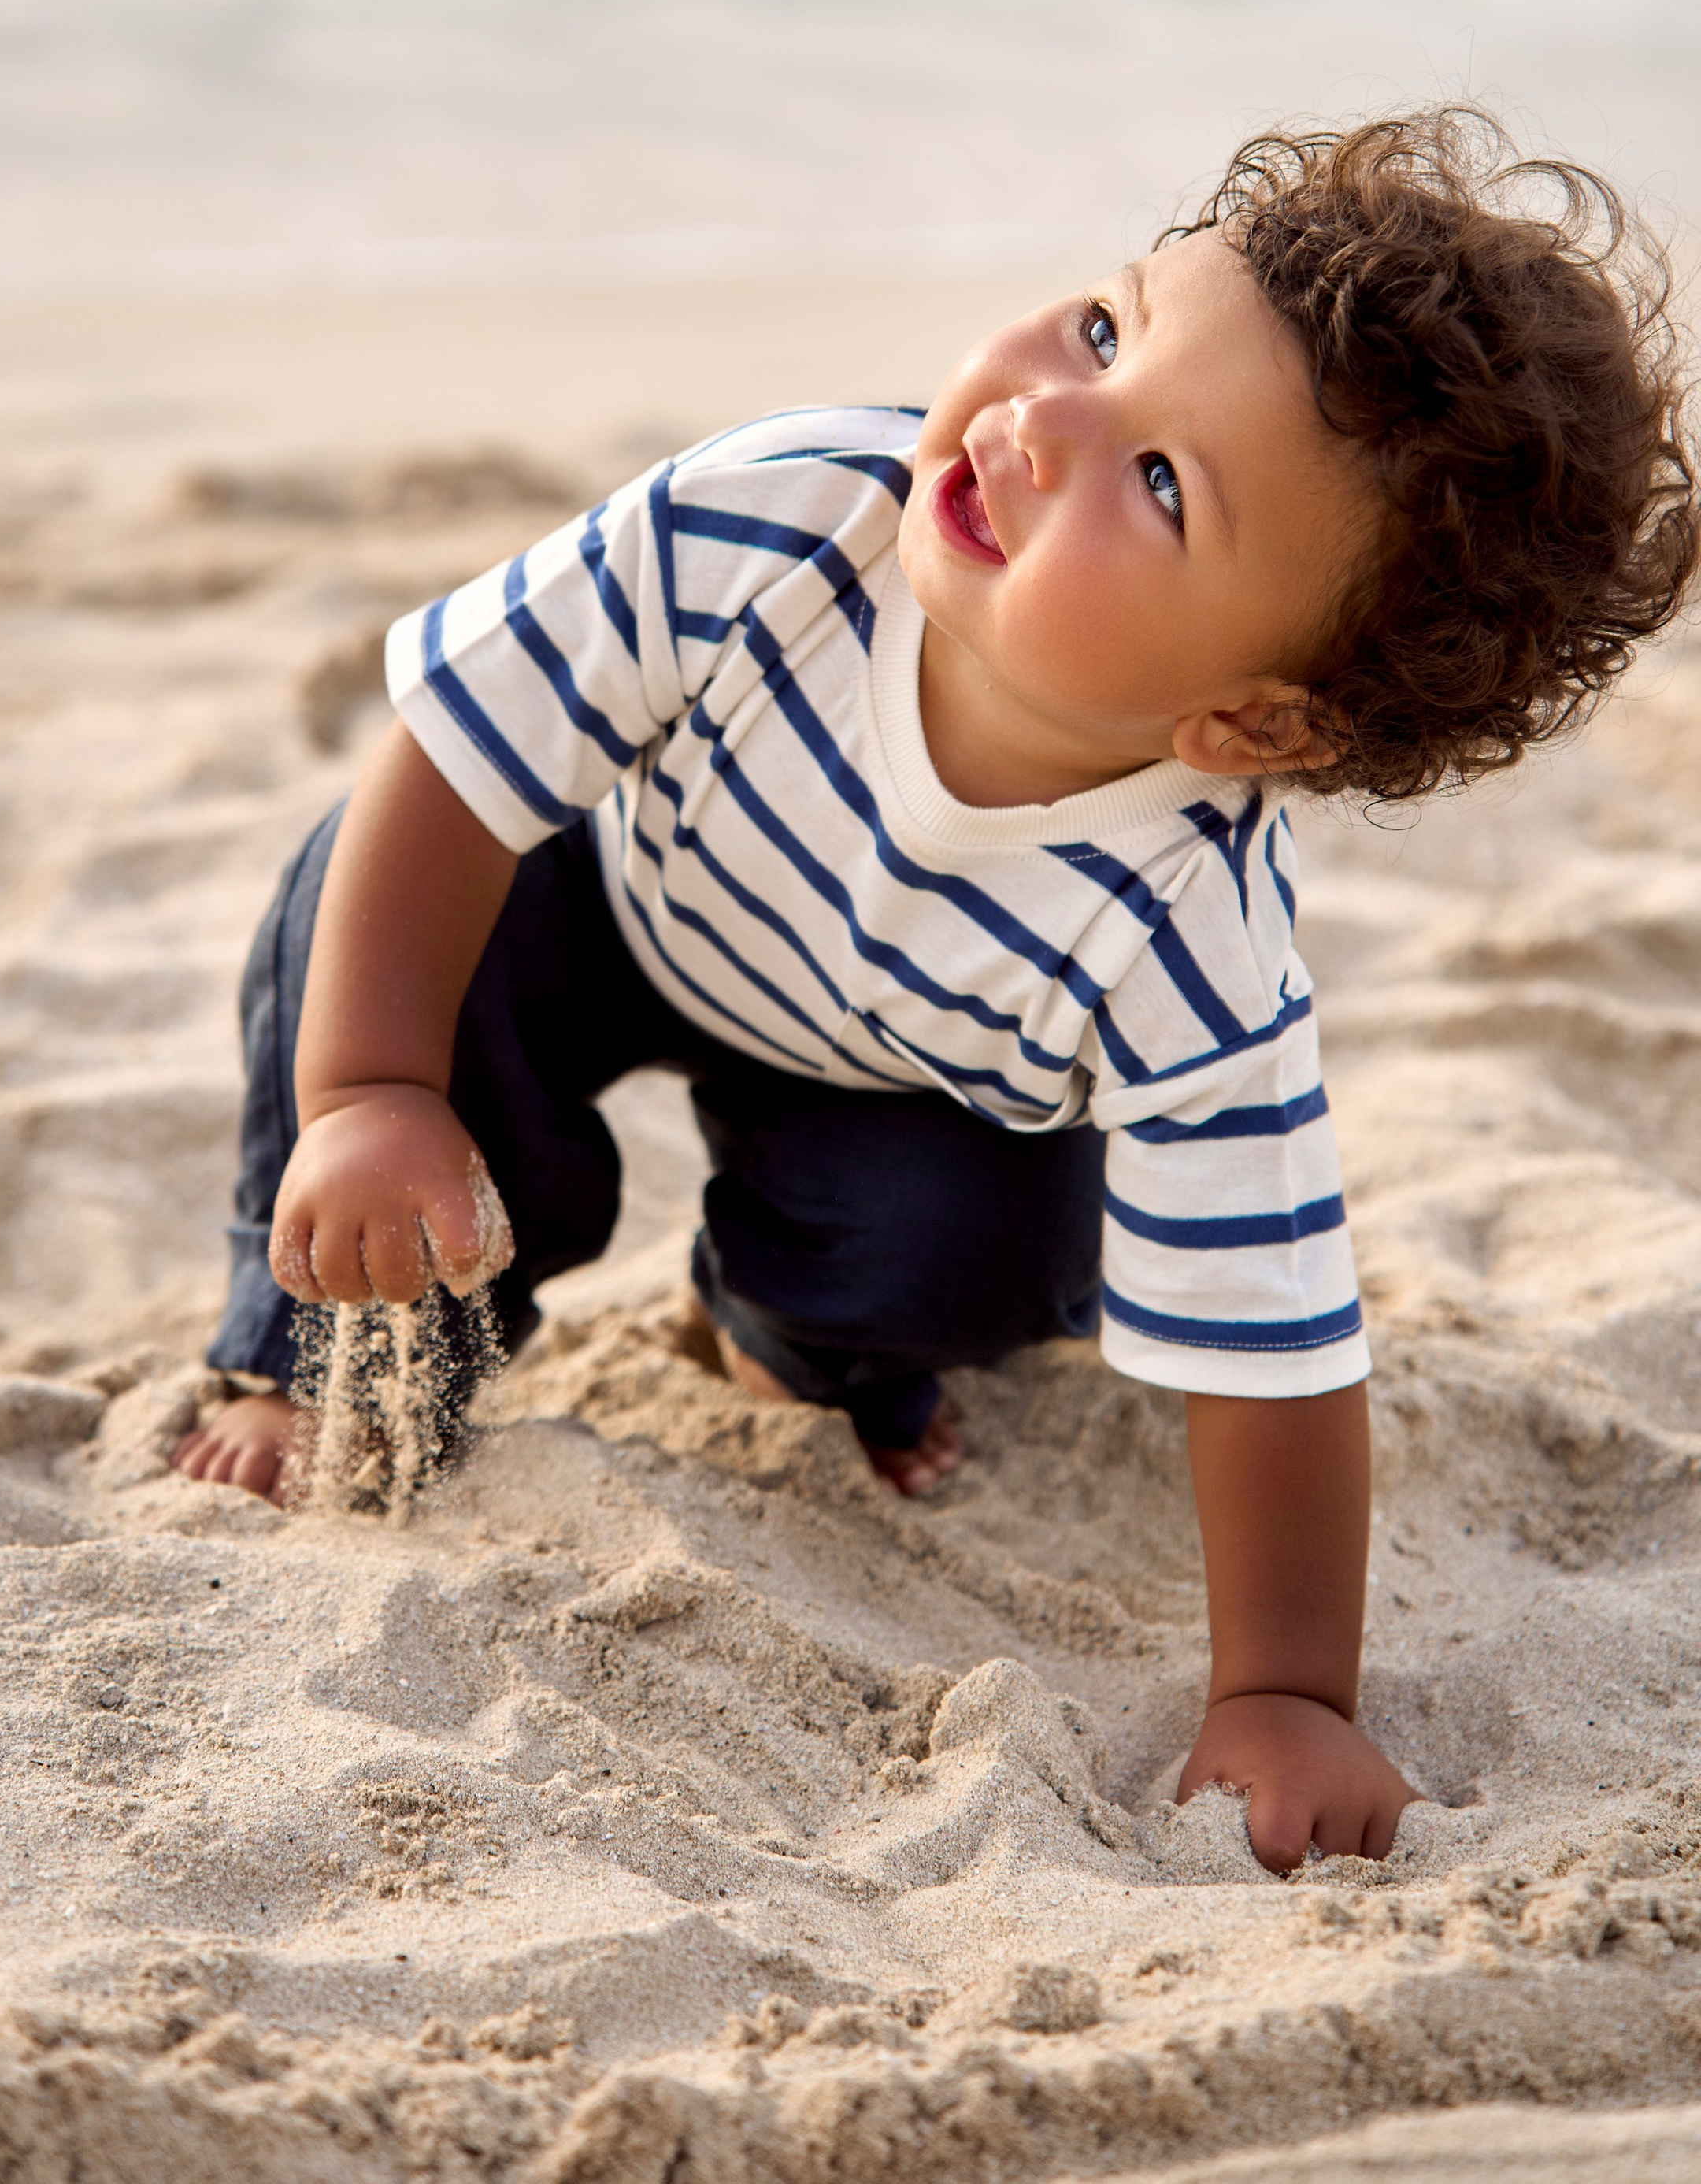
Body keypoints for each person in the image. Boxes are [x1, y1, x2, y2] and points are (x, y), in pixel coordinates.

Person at [172, 109, 1695, 1871]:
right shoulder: (777, 516)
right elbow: (446, 762)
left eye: (1157, 483)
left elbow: (1275, 1341)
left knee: (976, 1252)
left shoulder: (1186, 932)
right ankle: (316, 1349)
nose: (1042, 418)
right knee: (363, 933)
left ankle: (789, 1338)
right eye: (1107, 330)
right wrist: (371, 1088)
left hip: (894, 1073)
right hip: (606, 902)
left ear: (1252, 723)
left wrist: (1286, 1693)